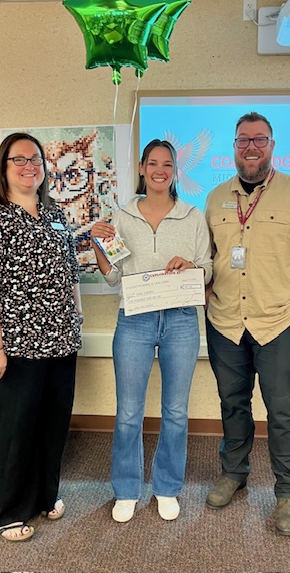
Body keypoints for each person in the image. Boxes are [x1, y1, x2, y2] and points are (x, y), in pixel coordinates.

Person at [204, 112, 290, 535]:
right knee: (232, 404)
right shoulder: (213, 198)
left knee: (282, 410)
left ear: (273, 146)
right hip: (225, 323)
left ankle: (288, 492)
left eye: (259, 140)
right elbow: (207, 256)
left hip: (279, 323)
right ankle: (234, 471)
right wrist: (204, 292)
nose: (251, 147)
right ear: (234, 147)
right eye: (243, 140)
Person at [0, 132, 82, 542]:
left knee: (51, 425)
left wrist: (76, 315)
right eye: (20, 159)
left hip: (61, 342)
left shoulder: (54, 212)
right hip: (13, 348)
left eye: (36, 159)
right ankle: (9, 511)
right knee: (13, 431)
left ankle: (46, 496)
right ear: (4, 166)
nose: (30, 166)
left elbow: (68, 269)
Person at [91, 138, 212, 523]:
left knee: (175, 410)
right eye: (153, 163)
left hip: (179, 320)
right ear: (142, 168)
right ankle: (126, 489)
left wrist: (191, 264)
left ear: (175, 170)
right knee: (129, 411)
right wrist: (99, 244)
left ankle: (167, 487)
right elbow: (113, 278)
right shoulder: (122, 217)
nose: (160, 170)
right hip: (135, 320)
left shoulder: (193, 216)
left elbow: (208, 268)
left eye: (167, 164)